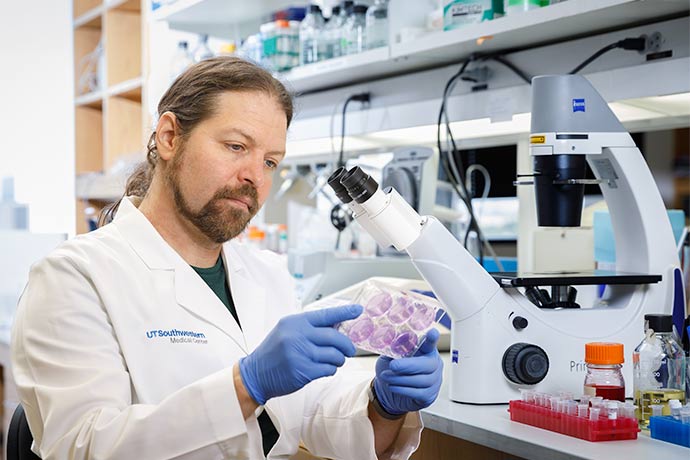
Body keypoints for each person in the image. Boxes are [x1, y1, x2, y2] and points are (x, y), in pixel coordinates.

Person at [11, 56, 443, 460]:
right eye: (236, 146)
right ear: (169, 137)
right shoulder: (74, 277)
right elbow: (83, 445)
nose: (254, 176)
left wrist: (383, 408)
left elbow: (312, 417)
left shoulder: (266, 273)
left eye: (271, 161)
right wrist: (245, 386)